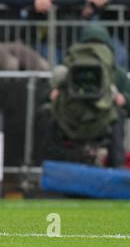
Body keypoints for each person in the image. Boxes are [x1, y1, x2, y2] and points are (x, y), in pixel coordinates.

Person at [49, 25, 130, 169]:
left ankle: (116, 165)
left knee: (118, 114)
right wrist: (55, 95)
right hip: (74, 120)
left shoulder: (116, 73)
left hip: (99, 121)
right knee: (50, 112)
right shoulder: (68, 70)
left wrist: (122, 99)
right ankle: (116, 167)